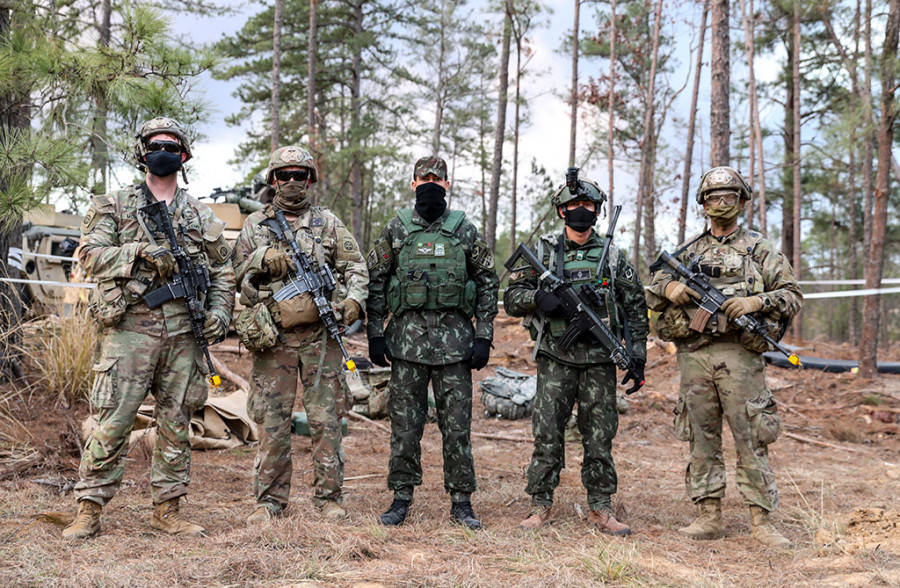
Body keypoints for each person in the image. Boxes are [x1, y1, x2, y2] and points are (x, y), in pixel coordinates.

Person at [64, 117, 236, 538]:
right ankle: (89, 509)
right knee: (114, 419)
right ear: (142, 152)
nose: (164, 151)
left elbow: (223, 271)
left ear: (184, 155)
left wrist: (219, 314)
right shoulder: (114, 205)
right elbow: (88, 255)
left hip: (183, 335)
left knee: (177, 422)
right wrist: (139, 252)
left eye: (172, 146)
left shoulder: (200, 214)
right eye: (156, 144)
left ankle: (168, 510)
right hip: (129, 330)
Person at [645, 166, 802, 547]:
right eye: (714, 197)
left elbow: (793, 295)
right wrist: (673, 288)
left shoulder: (760, 249)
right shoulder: (690, 250)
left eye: (730, 195)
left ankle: (761, 521)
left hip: (740, 358)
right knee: (701, 436)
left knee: (751, 436)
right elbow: (652, 287)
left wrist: (754, 300)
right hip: (695, 356)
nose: (721, 203)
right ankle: (708, 515)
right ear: (703, 203)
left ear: (743, 200)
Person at [504, 170, 648, 534]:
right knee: (547, 433)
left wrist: (638, 353)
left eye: (586, 205)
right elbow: (511, 297)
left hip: (600, 361)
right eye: (572, 205)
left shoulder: (613, 256)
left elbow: (634, 306)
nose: (579, 210)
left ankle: (600, 507)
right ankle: (540, 504)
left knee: (600, 436)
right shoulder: (543, 252)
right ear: (561, 211)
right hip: (556, 358)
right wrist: (539, 297)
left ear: (597, 211)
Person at [235, 146, 368, 523]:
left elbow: (355, 268)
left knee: (327, 420)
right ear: (272, 180)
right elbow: (233, 273)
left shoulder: (327, 223)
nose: (292, 182)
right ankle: (269, 501)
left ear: (310, 179)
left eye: (300, 175)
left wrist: (353, 302)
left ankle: (329, 498)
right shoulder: (255, 224)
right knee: (271, 421)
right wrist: (261, 260)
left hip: (320, 337)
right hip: (272, 338)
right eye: (284, 175)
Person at [365, 156, 499, 529]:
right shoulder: (397, 228)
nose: (430, 183)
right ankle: (401, 498)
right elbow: (375, 280)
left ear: (447, 184)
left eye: (436, 178)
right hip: (406, 347)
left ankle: (461, 502)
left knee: (457, 430)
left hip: (456, 348)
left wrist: (483, 335)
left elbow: (489, 281)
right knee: (405, 429)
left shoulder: (464, 231)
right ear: (412, 184)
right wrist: (375, 333)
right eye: (423, 178)